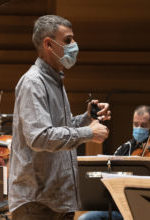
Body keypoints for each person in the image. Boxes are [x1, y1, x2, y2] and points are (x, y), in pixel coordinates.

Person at [8, 15, 111, 220]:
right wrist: (88, 132)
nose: (74, 45)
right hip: (37, 203)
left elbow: (59, 127)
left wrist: (86, 118)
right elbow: (40, 137)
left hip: (58, 200)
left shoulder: (55, 80)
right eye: (68, 40)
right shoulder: (33, 82)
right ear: (48, 44)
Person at [78, 105, 150, 220]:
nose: (139, 128)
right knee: (86, 218)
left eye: (144, 125)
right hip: (121, 208)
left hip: (146, 210)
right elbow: (109, 174)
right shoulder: (124, 148)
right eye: (136, 124)